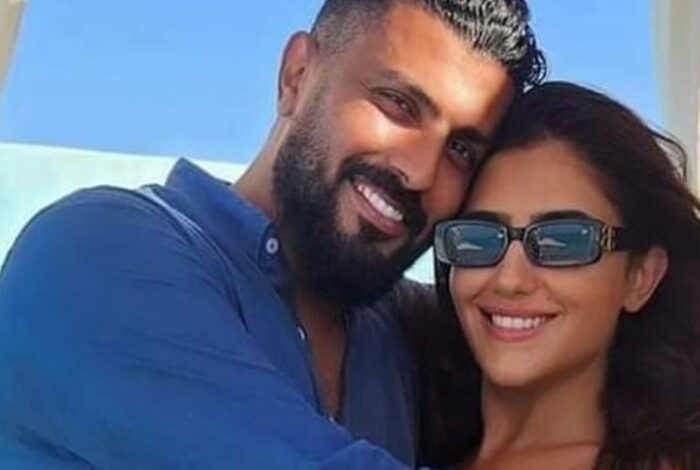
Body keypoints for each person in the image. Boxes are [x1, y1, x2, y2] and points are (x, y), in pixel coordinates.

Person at [0, 0, 544, 468]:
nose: (421, 172)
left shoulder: (401, 331)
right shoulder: (94, 253)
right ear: (296, 77)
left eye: (461, 149)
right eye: (398, 104)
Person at [423, 82, 700, 468]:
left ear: (641, 276)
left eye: (563, 240)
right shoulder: (389, 442)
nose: (509, 280)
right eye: (478, 238)